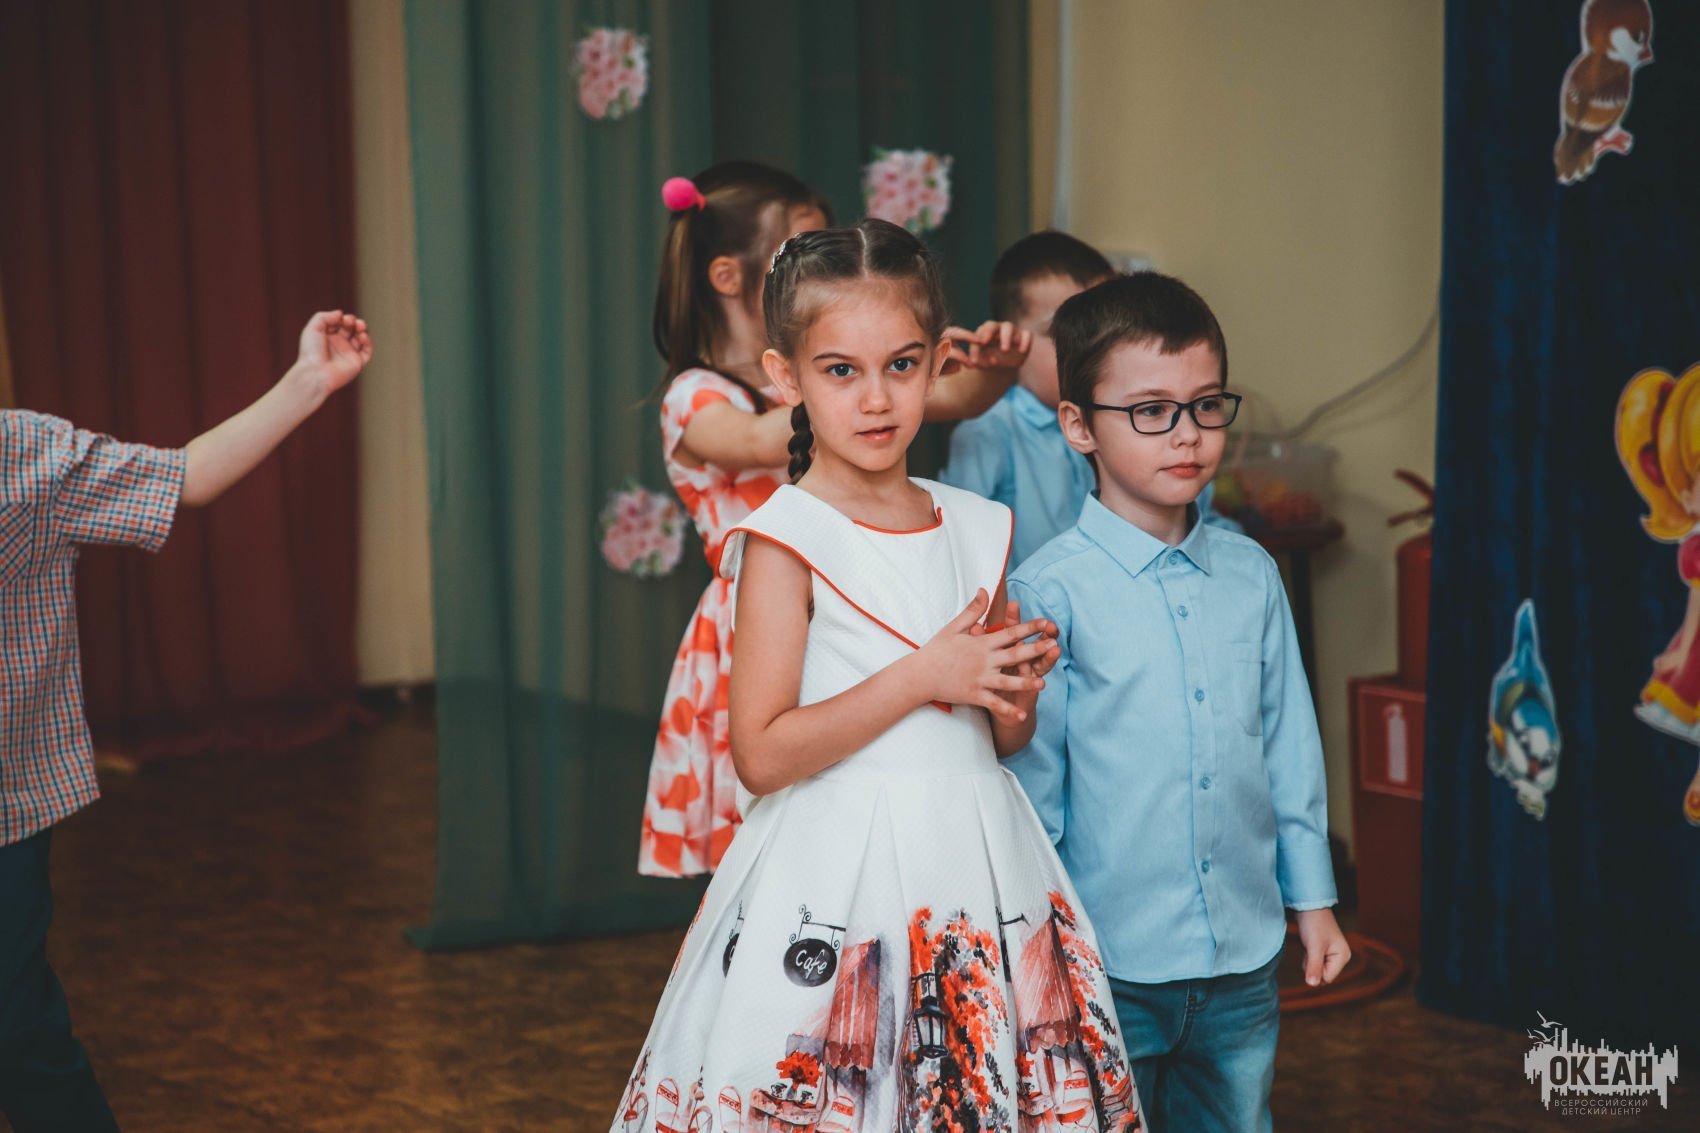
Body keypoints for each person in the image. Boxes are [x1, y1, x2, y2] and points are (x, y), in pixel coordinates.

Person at [611, 221, 1142, 1131]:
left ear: (937, 364)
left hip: (975, 860)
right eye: (840, 370)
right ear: (787, 378)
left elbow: (1000, 736)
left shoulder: (976, 524)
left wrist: (1011, 689)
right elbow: (762, 753)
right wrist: (925, 672)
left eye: (901, 365)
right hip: (833, 875)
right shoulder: (784, 539)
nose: (876, 398)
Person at [0, 310, 372, 1131]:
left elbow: (186, 475)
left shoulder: (19, 453)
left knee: (16, 1029)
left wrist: (308, 381)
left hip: (5, 807)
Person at [1005, 272, 1347, 1132]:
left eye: (1205, 405)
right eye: (1151, 410)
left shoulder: (1253, 574)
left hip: (1243, 959)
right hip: (1106, 961)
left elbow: (1290, 749)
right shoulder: (1048, 591)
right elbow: (1035, 790)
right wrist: (1037, 945)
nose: (1187, 433)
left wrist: (1313, 901)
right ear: (1079, 425)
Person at [640, 163, 1030, 878]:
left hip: (930, 794)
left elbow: (951, 396)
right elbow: (756, 437)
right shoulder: (698, 396)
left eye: (903, 366)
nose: (875, 398)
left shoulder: (962, 519)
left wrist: (995, 370)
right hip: (757, 627)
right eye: (800, 251)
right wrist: (845, 375)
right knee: (769, 850)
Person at [941, 231, 1241, 568]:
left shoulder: (1173, 436)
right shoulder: (989, 430)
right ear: (1010, 341)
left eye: (1104, 332)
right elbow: (961, 547)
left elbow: (1202, 525)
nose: (1086, 348)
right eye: (1059, 332)